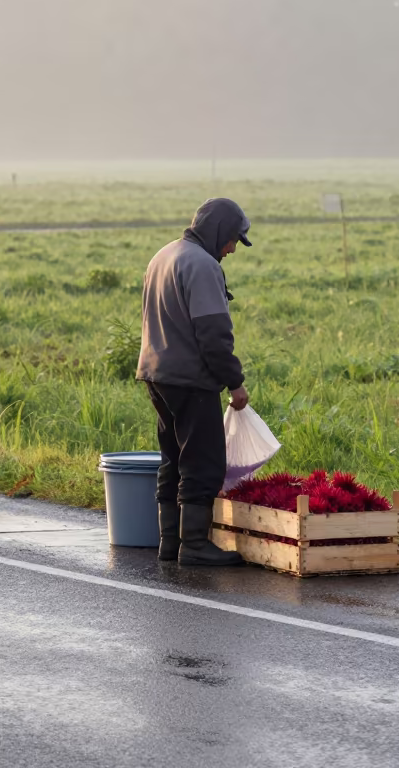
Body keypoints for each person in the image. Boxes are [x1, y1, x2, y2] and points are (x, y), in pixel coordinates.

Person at [136, 197, 251, 566]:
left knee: (173, 457)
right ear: (218, 231)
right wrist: (235, 383)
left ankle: (170, 544)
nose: (232, 248)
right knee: (202, 462)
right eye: (233, 239)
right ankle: (196, 546)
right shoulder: (202, 266)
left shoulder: (164, 255)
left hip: (157, 375)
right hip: (190, 379)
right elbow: (214, 335)